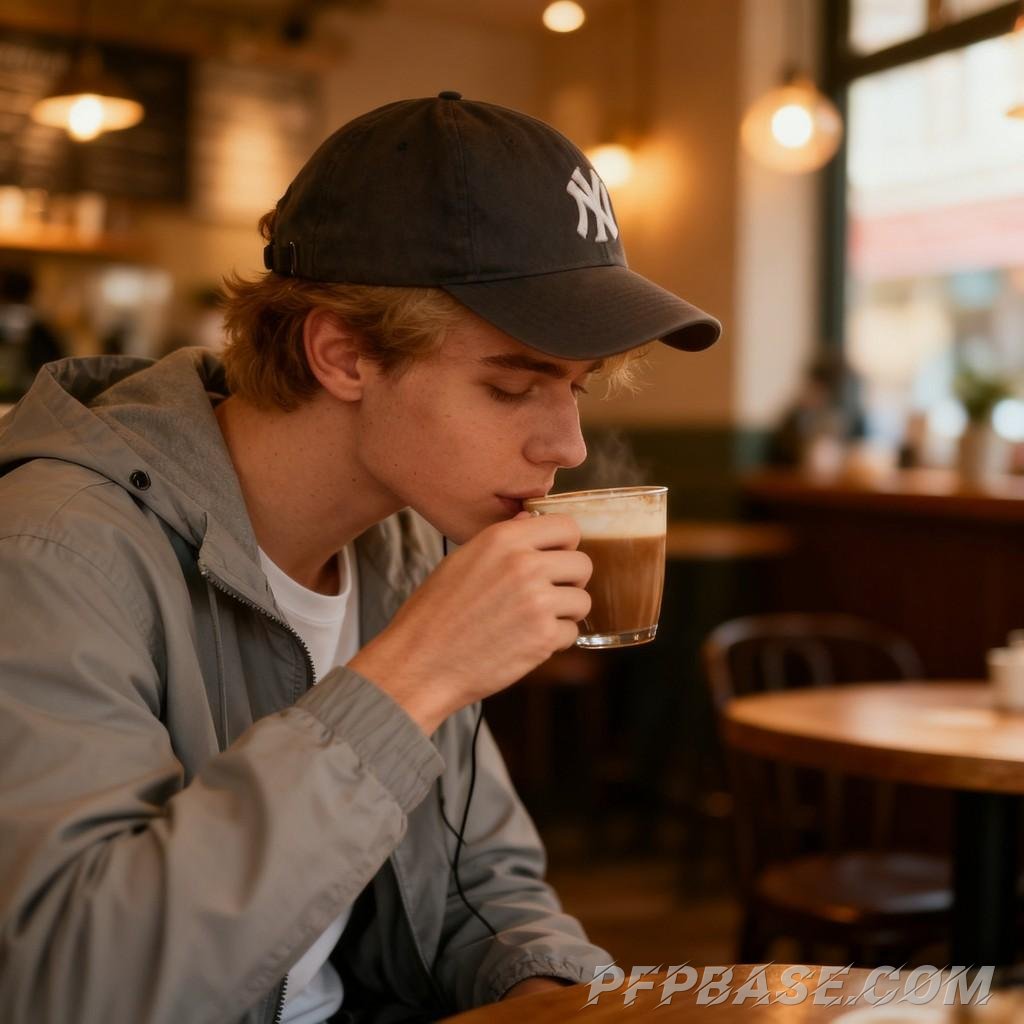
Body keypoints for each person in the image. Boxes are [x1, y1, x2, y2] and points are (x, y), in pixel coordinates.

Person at [0, 93, 720, 1024]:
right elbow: (74, 988)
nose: (570, 446)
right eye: (512, 387)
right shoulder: (53, 555)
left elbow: (478, 887)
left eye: (576, 390)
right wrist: (408, 679)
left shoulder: (409, 541)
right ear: (341, 353)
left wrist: (553, 999)